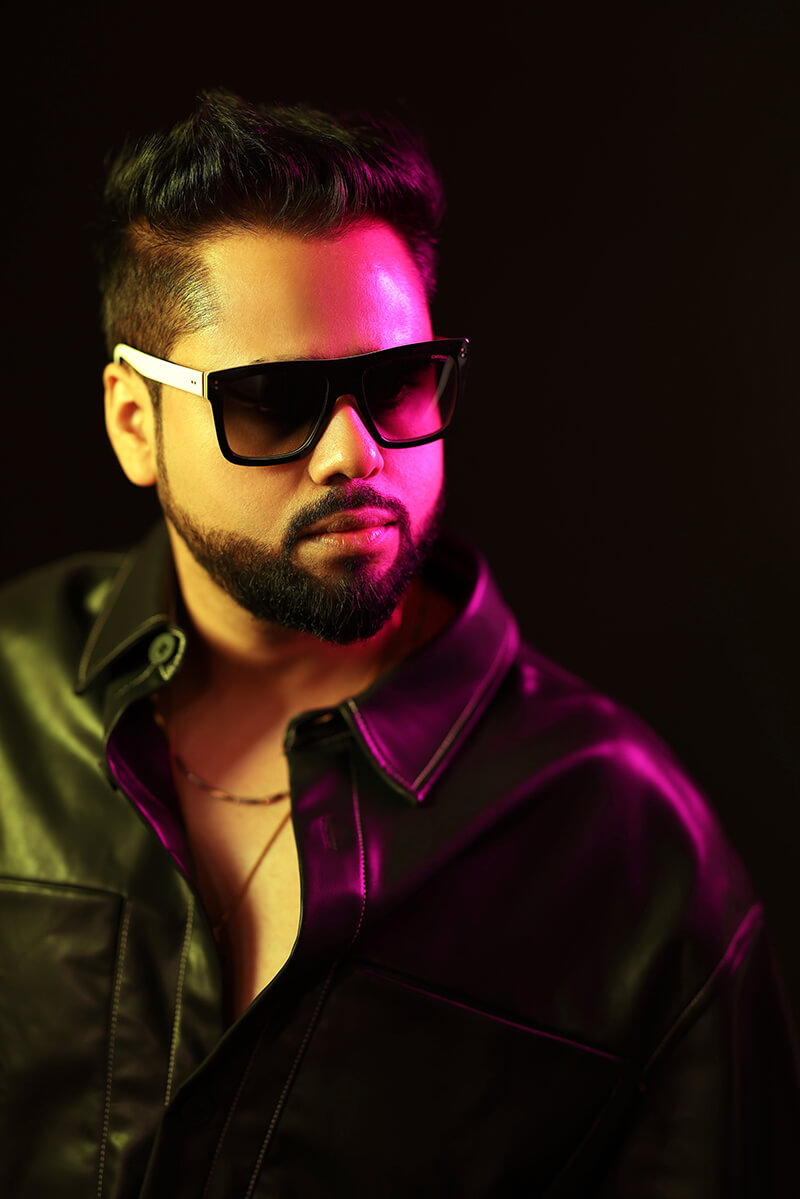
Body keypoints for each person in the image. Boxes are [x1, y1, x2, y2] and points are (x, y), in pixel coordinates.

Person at [1, 87, 797, 1199]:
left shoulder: (624, 841)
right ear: (136, 422)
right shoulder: (13, 700)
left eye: (396, 382)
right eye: (273, 400)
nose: (353, 452)